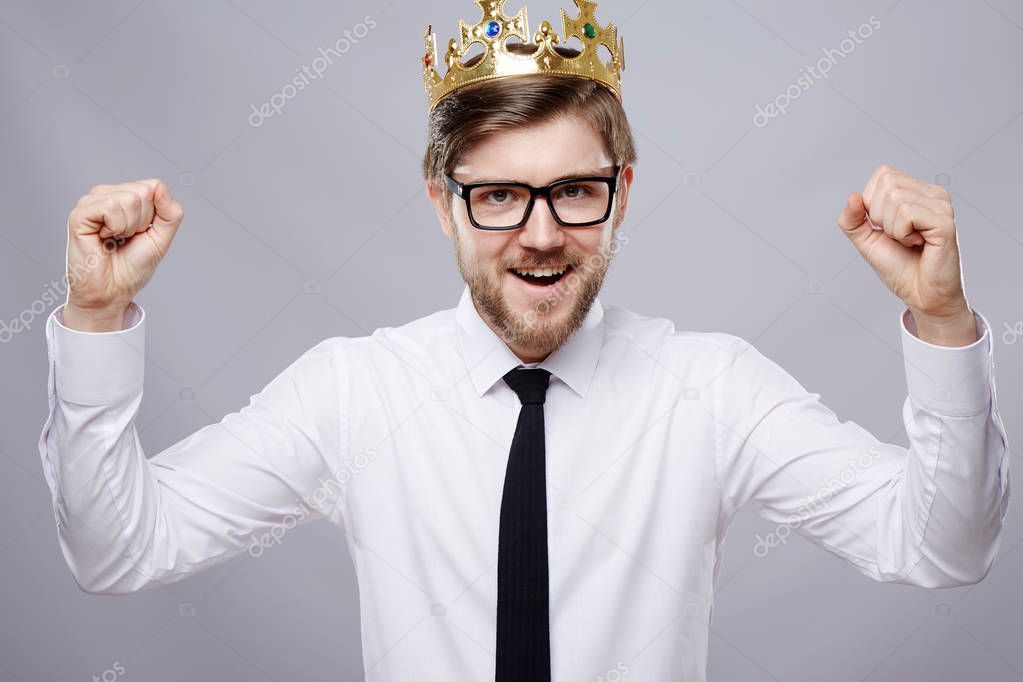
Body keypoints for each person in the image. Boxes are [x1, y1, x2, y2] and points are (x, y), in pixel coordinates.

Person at [38, 1, 1009, 680]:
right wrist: (91, 320)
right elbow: (119, 549)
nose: (540, 233)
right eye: (498, 194)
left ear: (621, 194)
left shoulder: (710, 390)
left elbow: (939, 544)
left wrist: (940, 322)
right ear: (442, 205)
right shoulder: (356, 391)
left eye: (574, 190)